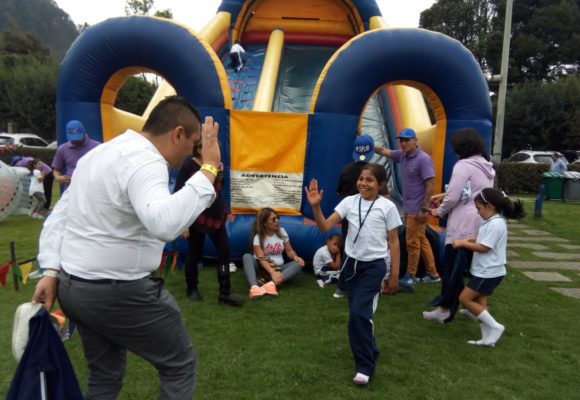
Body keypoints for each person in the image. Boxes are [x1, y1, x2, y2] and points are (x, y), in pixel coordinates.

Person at [31, 96, 221, 399]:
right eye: (195, 143)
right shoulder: (147, 161)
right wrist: (210, 168)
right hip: (119, 292)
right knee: (180, 364)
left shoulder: (99, 154)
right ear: (177, 134)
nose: (193, 152)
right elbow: (163, 222)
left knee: (104, 375)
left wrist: (51, 269)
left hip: (75, 287)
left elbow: (61, 216)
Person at [305, 163, 402, 385]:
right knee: (359, 316)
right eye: (361, 179)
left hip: (374, 266)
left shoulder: (387, 207)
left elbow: (394, 242)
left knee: (358, 316)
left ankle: (365, 367)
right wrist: (316, 208)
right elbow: (324, 227)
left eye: (369, 180)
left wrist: (394, 275)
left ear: (380, 184)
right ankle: (371, 349)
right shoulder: (349, 202)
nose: (363, 183)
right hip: (351, 265)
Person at [423, 128, 495, 323]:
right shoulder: (486, 166)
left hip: (462, 225)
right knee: (476, 269)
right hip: (479, 222)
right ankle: (477, 308)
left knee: (452, 269)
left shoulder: (463, 165)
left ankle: (445, 308)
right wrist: (445, 195)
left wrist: (439, 211)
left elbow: (455, 196)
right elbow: (472, 192)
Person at [173, 140, 244, 307]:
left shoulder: (216, 164)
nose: (216, 150)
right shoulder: (189, 165)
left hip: (216, 216)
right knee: (194, 253)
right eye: (213, 147)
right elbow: (178, 192)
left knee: (225, 251)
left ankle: (225, 294)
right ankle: (192, 288)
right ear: (199, 149)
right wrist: (183, 223)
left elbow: (218, 187)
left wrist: (220, 174)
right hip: (196, 217)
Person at [453, 188, 525, 346]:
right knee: (480, 303)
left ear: (490, 206)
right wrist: (469, 239)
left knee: (464, 299)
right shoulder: (492, 221)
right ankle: (487, 339)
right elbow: (482, 239)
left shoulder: (496, 224)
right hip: (486, 271)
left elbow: (485, 247)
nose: (478, 212)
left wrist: (463, 243)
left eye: (479, 208)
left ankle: (496, 327)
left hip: (488, 272)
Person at [375, 128, 440, 284]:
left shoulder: (423, 159)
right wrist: (367, 142)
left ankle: (410, 275)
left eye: (406, 140)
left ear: (415, 140)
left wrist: (424, 209)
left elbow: (430, 185)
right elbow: (383, 151)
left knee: (412, 243)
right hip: (409, 207)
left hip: (417, 209)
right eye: (401, 140)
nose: (403, 143)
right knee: (421, 240)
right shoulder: (402, 155)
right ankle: (432, 273)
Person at [334, 133, 374, 297]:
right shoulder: (374, 173)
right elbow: (383, 195)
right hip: (367, 217)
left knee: (348, 250)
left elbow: (339, 192)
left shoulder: (346, 170)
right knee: (367, 251)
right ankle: (361, 285)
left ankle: (342, 287)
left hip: (348, 216)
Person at [242, 207, 305, 298]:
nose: (277, 221)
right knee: (247, 256)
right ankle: (254, 287)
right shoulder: (258, 237)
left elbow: (289, 250)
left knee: (299, 264)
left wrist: (295, 256)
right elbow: (261, 259)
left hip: (279, 268)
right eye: (273, 219)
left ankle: (271, 284)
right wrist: (272, 272)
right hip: (262, 269)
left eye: (277, 218)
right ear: (265, 223)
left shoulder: (282, 232)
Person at [52, 120, 100, 191]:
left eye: (78, 137)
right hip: (71, 189)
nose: (75, 141)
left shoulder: (98, 147)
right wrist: (58, 177)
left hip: (92, 188)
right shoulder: (62, 149)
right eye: (73, 138)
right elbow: (56, 169)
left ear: (84, 132)